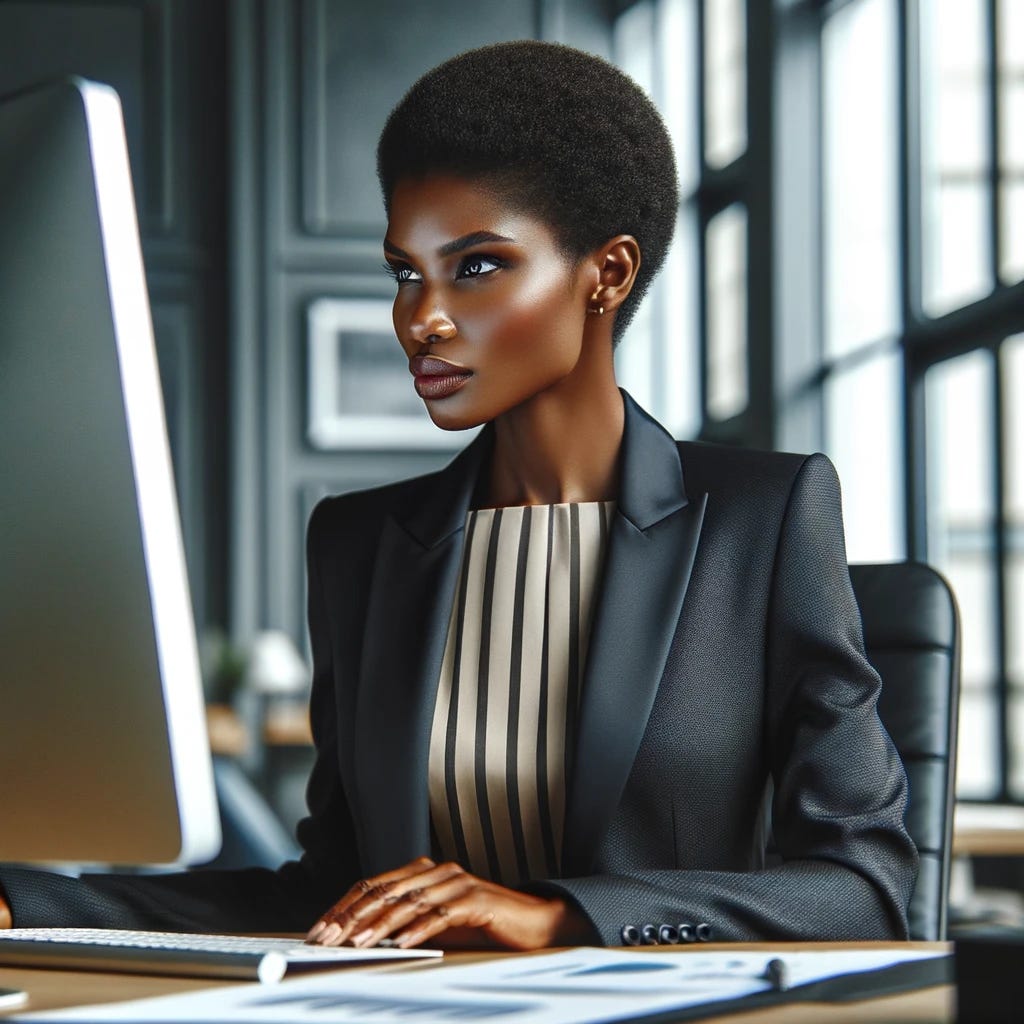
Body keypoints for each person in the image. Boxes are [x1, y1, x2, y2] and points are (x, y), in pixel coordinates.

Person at [0, 41, 917, 950]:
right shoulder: (361, 544)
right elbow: (332, 894)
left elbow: (863, 890)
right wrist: (30, 902)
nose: (420, 318)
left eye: (475, 266)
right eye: (407, 271)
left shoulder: (763, 518)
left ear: (608, 273)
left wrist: (558, 915)